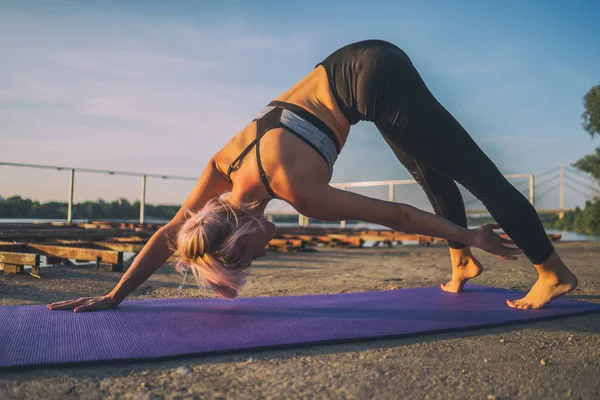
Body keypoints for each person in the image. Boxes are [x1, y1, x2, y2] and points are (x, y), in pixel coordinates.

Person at [47, 39, 576, 313]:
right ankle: (462, 268)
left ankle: (552, 271)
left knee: (477, 175)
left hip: (374, 82)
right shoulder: (223, 165)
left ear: (241, 230)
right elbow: (169, 236)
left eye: (249, 257)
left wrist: (470, 232)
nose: (260, 259)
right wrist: (115, 296)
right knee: (430, 171)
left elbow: (395, 216)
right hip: (355, 64)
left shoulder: (297, 192)